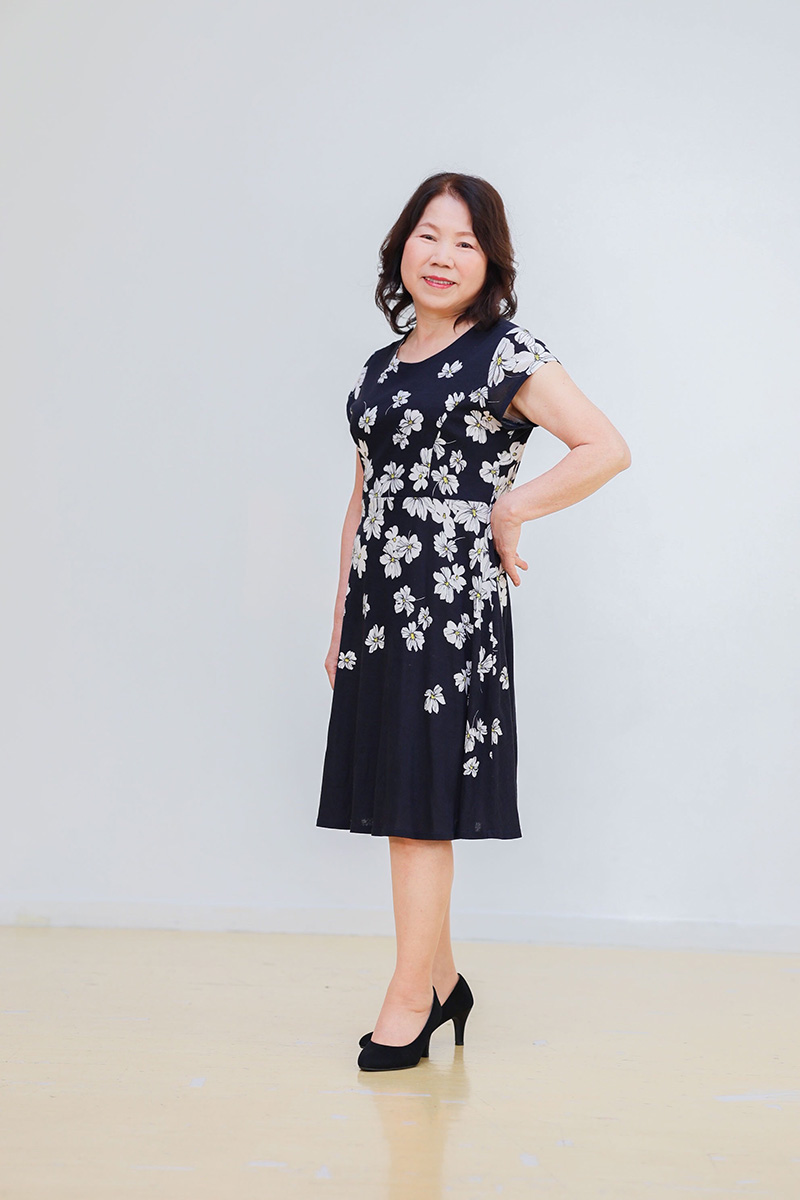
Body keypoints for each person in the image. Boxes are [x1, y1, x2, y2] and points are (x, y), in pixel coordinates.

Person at [316, 172, 631, 1071]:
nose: (443, 256)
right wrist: (340, 615)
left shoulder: (505, 353)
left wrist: (513, 506)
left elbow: (605, 447)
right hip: (381, 607)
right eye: (429, 235)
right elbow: (366, 497)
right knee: (400, 804)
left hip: (450, 607)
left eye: (465, 241)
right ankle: (445, 980)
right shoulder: (379, 369)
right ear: (401, 248)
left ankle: (409, 997)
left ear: (490, 260)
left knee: (420, 810)